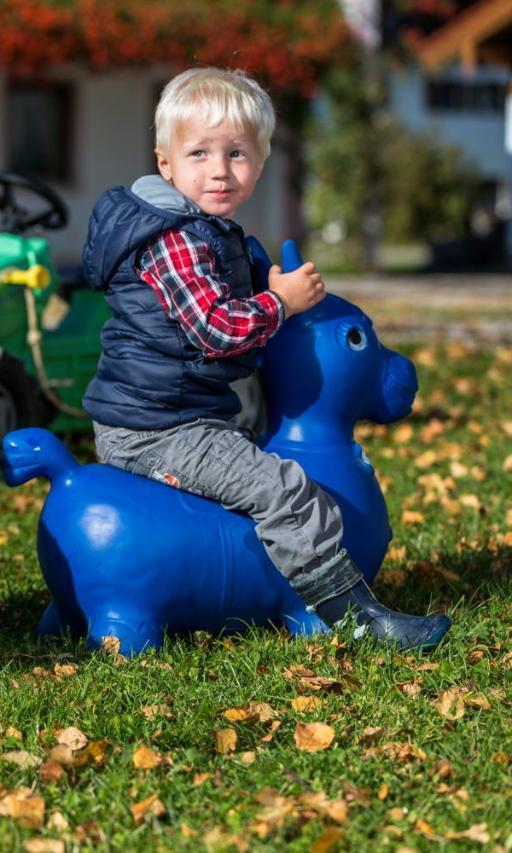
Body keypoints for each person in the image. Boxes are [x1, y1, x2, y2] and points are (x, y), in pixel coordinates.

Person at [80, 67, 450, 652]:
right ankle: (351, 616)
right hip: (156, 429)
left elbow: (225, 286)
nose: (220, 170)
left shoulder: (208, 227)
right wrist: (279, 301)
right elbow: (215, 329)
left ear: (262, 158)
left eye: (237, 153)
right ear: (165, 162)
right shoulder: (172, 239)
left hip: (178, 410)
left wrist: (261, 277)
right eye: (199, 153)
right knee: (283, 488)